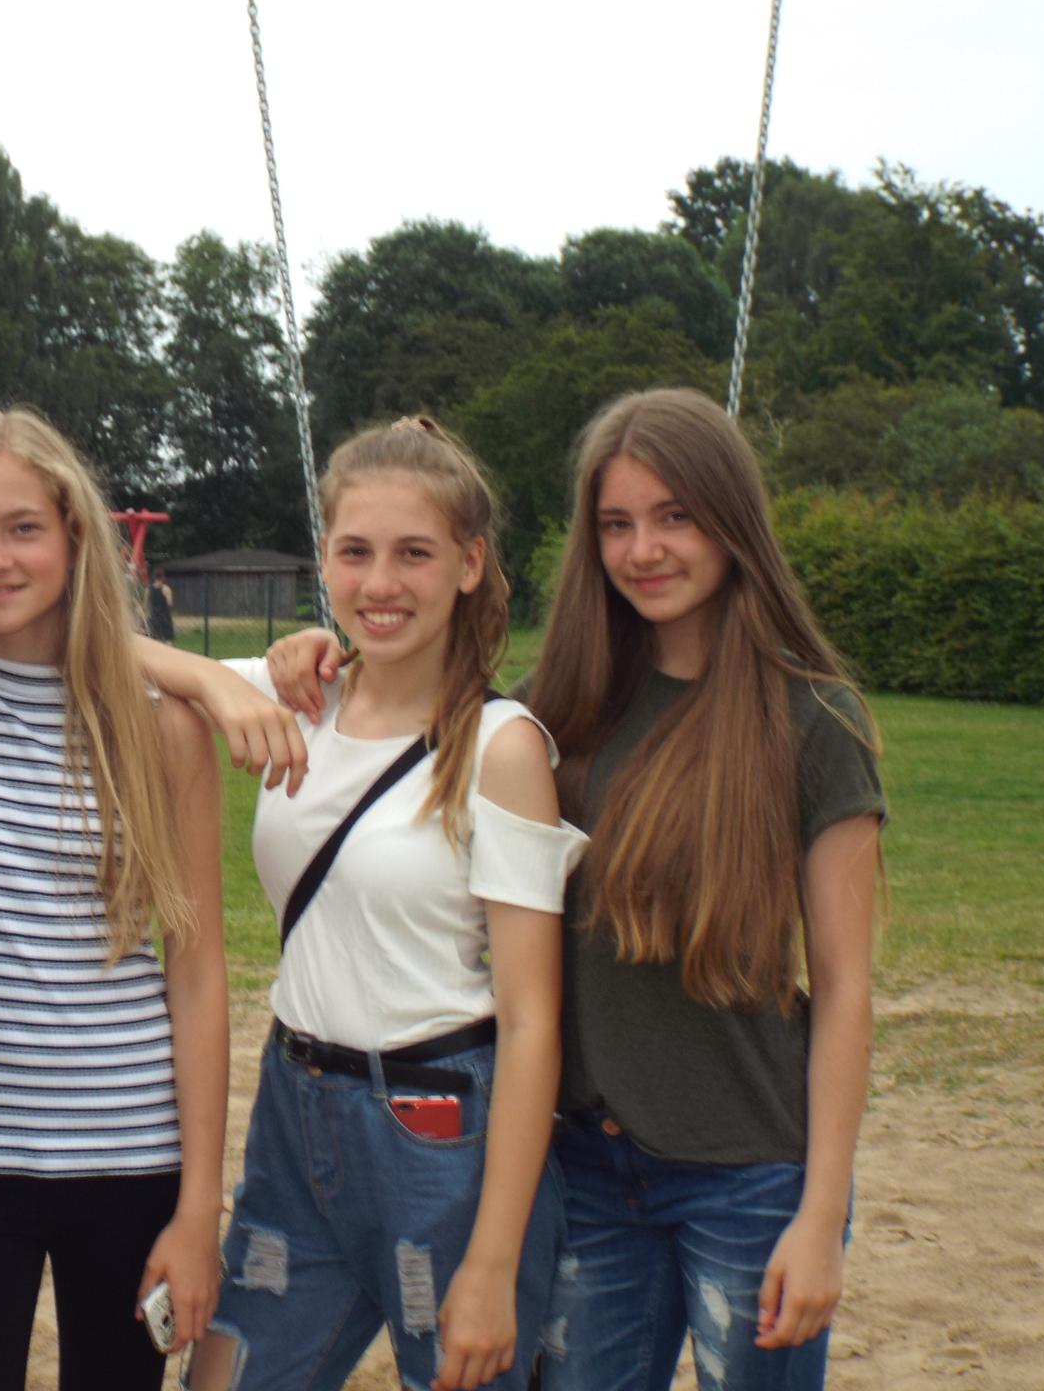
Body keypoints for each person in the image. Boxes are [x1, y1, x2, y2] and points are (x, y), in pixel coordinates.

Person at [278, 390, 885, 1390]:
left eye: (675, 516)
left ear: (733, 522)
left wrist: (821, 1216)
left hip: (751, 1176)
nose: (643, 549)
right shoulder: (558, 709)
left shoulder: (815, 721)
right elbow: (409, 685)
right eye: (616, 523)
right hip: (588, 1169)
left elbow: (847, 990)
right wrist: (315, 656)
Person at [146, 415, 586, 1391]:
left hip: (439, 1131)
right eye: (355, 552)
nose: (380, 584)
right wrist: (220, 685)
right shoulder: (299, 697)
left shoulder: (502, 748)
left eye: (413, 553)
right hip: (294, 1115)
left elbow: (532, 1022)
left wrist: (493, 1263)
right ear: (325, 560)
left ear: (469, 564)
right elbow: (100, 652)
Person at [0, 405, 228, 1391]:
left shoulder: (163, 729)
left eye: (22, 528)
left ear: (73, 535)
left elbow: (196, 973)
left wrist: (200, 1208)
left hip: (132, 1151)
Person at [146, 566, 174, 643]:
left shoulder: (148, 589)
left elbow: (145, 604)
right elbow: (170, 603)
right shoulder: (166, 589)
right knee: (168, 640)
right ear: (163, 577)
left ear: (154, 577)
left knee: (156, 641)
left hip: (154, 618)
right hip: (165, 618)